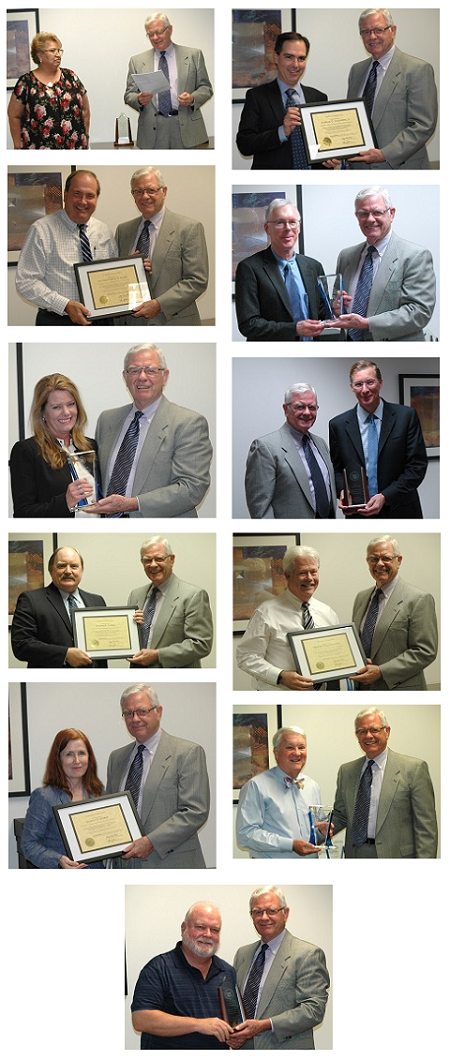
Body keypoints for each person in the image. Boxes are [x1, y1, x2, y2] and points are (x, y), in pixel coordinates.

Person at [91, 344, 212, 518]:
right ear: (125, 377)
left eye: (151, 370)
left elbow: (192, 488)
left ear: (165, 376)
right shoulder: (107, 420)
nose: (142, 377)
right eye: (134, 370)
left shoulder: (188, 423)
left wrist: (132, 504)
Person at [106, 684, 209, 868]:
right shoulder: (116, 758)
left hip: (171, 865)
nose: (135, 719)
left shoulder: (187, 753)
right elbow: (111, 812)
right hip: (125, 866)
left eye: (142, 711)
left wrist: (151, 842)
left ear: (158, 712)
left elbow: (195, 811)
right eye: (128, 713)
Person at [326, 186, 436, 341]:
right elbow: (337, 306)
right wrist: (337, 308)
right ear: (357, 216)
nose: (370, 219)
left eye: (377, 212)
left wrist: (367, 323)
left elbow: (419, 312)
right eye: (364, 213)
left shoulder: (415, 256)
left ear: (391, 214)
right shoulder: (346, 256)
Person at [231, 886, 329, 1050]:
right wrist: (235, 1030)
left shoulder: (307, 954)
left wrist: (265, 1025)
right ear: (251, 916)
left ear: (285, 913)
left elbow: (314, 1010)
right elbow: (235, 1003)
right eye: (257, 912)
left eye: (271, 911)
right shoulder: (242, 954)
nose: (264, 917)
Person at [15, 170, 117, 326]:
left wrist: (137, 271)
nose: (83, 201)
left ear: (96, 199)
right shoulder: (42, 230)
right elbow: (26, 282)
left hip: (101, 320)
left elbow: (114, 275)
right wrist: (64, 305)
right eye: (77, 194)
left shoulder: (104, 231)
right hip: (58, 320)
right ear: (65, 195)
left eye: (90, 196)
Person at [332, 709, 438, 858]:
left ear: (387, 731)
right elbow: (341, 815)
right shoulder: (347, 771)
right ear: (357, 735)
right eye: (362, 731)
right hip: (356, 855)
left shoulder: (414, 769)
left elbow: (426, 829)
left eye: (374, 730)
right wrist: (324, 829)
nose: (368, 736)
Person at [329, 360, 427, 518]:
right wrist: (343, 491)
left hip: (400, 510)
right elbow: (336, 470)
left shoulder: (406, 417)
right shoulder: (338, 425)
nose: (365, 389)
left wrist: (385, 496)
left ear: (380, 383)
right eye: (358, 384)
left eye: (370, 382)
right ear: (351, 387)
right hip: (358, 514)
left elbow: (416, 467)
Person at [131, 901, 236, 1049]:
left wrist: (236, 1035)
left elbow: (233, 1020)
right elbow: (141, 1019)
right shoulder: (158, 969)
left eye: (214, 930)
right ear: (183, 928)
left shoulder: (228, 972)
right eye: (200, 927)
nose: (208, 934)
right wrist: (199, 1024)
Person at [236, 545, 339, 691]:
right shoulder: (266, 612)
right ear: (288, 575)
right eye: (302, 573)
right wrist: (280, 676)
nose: (309, 578)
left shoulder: (328, 613)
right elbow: (246, 656)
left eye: (313, 572)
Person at [115, 166, 208, 325]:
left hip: (173, 322)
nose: (145, 196)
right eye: (138, 191)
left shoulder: (188, 228)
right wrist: (126, 268)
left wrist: (159, 305)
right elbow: (115, 279)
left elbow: (197, 280)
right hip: (130, 325)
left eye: (151, 190)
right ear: (133, 195)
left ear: (163, 191)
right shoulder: (123, 230)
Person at [346, 9, 438, 170]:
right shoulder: (356, 71)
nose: (372, 36)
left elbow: (423, 125)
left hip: (400, 168)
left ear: (392, 30)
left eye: (378, 30)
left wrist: (385, 154)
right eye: (366, 32)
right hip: (359, 169)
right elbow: (351, 121)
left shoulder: (417, 70)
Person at [353, 535, 438, 691]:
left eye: (386, 558)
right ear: (367, 562)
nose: (379, 564)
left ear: (398, 560)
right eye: (373, 559)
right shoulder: (361, 597)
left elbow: (425, 651)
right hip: (362, 688)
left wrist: (381, 671)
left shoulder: (418, 599)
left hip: (399, 689)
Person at [10, 373, 99, 518]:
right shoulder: (27, 451)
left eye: (71, 404)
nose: (66, 412)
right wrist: (65, 501)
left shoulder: (91, 446)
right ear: (42, 412)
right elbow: (23, 514)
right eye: (56, 407)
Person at [235, 200, 326, 342]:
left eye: (292, 222)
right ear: (267, 228)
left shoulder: (313, 267)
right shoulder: (249, 268)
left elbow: (321, 314)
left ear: (299, 227)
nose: (288, 228)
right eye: (279, 223)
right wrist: (295, 329)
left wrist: (336, 310)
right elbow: (249, 324)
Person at [236, 32, 327, 169]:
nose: (295, 65)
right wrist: (281, 132)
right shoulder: (257, 96)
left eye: (301, 58)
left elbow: (323, 144)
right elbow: (244, 144)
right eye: (289, 57)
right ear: (276, 57)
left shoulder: (318, 97)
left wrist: (330, 158)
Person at [245, 382, 336, 518]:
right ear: (286, 409)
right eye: (300, 407)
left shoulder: (321, 443)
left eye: (312, 407)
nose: (307, 412)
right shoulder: (265, 448)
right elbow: (261, 511)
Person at [124, 13, 212, 150]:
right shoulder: (137, 61)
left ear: (169, 29)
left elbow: (206, 88)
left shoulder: (194, 55)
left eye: (159, 32)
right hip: (152, 129)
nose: (155, 38)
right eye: (150, 34)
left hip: (186, 126)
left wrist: (193, 98)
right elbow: (129, 95)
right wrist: (139, 99)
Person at [11, 545, 107, 668]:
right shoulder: (31, 600)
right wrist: (64, 654)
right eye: (61, 566)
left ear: (81, 570)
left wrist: (133, 623)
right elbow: (22, 645)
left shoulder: (97, 601)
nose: (68, 571)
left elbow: (105, 643)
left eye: (74, 566)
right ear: (51, 570)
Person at [21, 728, 105, 869]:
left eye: (82, 753)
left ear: (89, 758)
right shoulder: (44, 797)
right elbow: (29, 844)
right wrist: (58, 860)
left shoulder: (99, 793)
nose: (77, 760)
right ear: (58, 759)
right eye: (69, 754)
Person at [236, 727, 324, 859]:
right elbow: (246, 835)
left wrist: (322, 832)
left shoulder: (312, 786)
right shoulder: (256, 786)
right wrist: (290, 844)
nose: (297, 753)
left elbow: (314, 833)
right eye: (290, 748)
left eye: (301, 747)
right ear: (276, 752)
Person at [127, 536, 213, 668]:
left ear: (171, 559)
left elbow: (201, 644)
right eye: (147, 560)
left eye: (159, 559)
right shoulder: (135, 595)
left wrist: (158, 655)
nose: (153, 564)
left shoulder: (193, 595)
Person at [8, 32, 90, 150]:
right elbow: (14, 115)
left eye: (59, 51)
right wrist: (17, 145)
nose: (58, 55)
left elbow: (86, 109)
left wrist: (85, 138)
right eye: (52, 51)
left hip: (74, 148)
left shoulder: (71, 77)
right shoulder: (26, 82)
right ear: (39, 55)